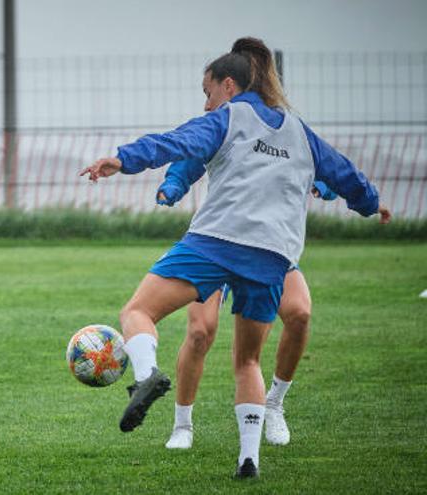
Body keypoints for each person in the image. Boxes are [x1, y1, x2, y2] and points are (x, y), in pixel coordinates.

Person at [80, 37, 390, 479]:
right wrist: (370, 204)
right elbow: (345, 174)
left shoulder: (230, 117)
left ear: (229, 86)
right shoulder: (301, 133)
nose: (207, 105)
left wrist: (122, 159)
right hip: (271, 256)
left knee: (137, 310)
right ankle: (249, 459)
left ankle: (146, 375)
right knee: (247, 361)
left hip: (215, 241)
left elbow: (177, 141)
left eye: (208, 93)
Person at [156, 162, 337, 449]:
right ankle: (182, 425)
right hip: (216, 244)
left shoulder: (283, 131)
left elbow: (324, 164)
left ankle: (274, 404)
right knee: (200, 333)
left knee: (300, 313)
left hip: (266, 246)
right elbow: (195, 150)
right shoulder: (227, 125)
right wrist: (173, 185)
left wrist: (323, 185)